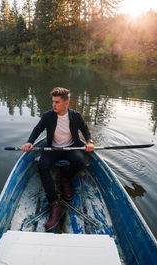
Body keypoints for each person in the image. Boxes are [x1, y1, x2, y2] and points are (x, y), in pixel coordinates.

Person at [21, 87, 94, 231]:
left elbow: (85, 129)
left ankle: (66, 178)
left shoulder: (76, 116)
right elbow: (37, 129)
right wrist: (30, 141)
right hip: (52, 148)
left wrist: (89, 141)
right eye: (53, 102)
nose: (53, 105)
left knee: (80, 161)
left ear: (66, 103)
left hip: (70, 147)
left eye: (57, 102)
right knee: (42, 165)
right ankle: (55, 204)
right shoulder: (48, 116)